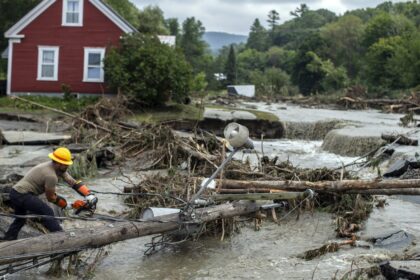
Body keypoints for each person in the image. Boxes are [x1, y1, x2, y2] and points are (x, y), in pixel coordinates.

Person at [0, 147, 97, 241]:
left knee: (20, 219)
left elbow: (71, 181)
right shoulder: (51, 176)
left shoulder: (55, 167)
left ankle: (9, 238)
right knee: (47, 213)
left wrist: (89, 194)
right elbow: (50, 198)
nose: (68, 166)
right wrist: (69, 205)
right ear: (59, 163)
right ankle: (61, 239)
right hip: (23, 195)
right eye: (66, 164)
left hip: (15, 192)